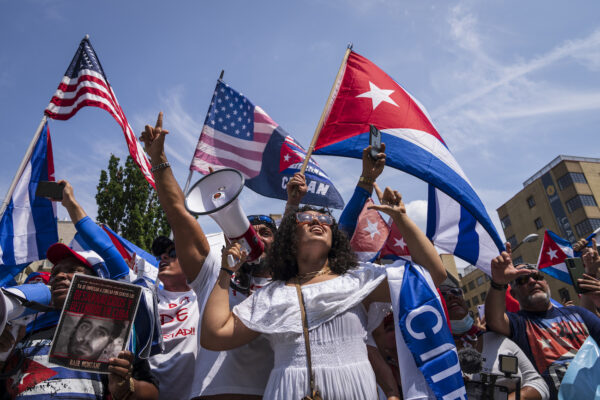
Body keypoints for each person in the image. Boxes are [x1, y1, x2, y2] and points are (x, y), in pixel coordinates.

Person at [201, 185, 447, 399]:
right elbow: (214, 335)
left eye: (325, 219)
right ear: (289, 237)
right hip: (287, 391)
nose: (318, 221)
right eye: (306, 217)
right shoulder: (271, 295)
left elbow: (433, 274)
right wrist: (225, 271)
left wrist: (402, 219)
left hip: (357, 389)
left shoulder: (360, 280)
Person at [140, 112, 298, 399]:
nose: (257, 236)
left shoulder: (287, 284)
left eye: (266, 233)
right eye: (252, 230)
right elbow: (178, 215)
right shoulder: (212, 270)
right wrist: (159, 160)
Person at [0, 242, 158, 399]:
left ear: (96, 281)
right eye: (55, 273)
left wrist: (125, 386)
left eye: (72, 270)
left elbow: (152, 393)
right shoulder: (23, 326)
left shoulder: (117, 331)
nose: (60, 276)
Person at [485, 243, 600, 398]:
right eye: (522, 280)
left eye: (538, 277)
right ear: (513, 293)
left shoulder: (577, 313)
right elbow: (494, 320)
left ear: (546, 283)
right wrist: (498, 283)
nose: (532, 281)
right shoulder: (518, 323)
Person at [439, 284, 549, 399]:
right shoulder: (434, 357)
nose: (451, 296)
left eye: (456, 291)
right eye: (443, 295)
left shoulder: (498, 341)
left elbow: (539, 384)